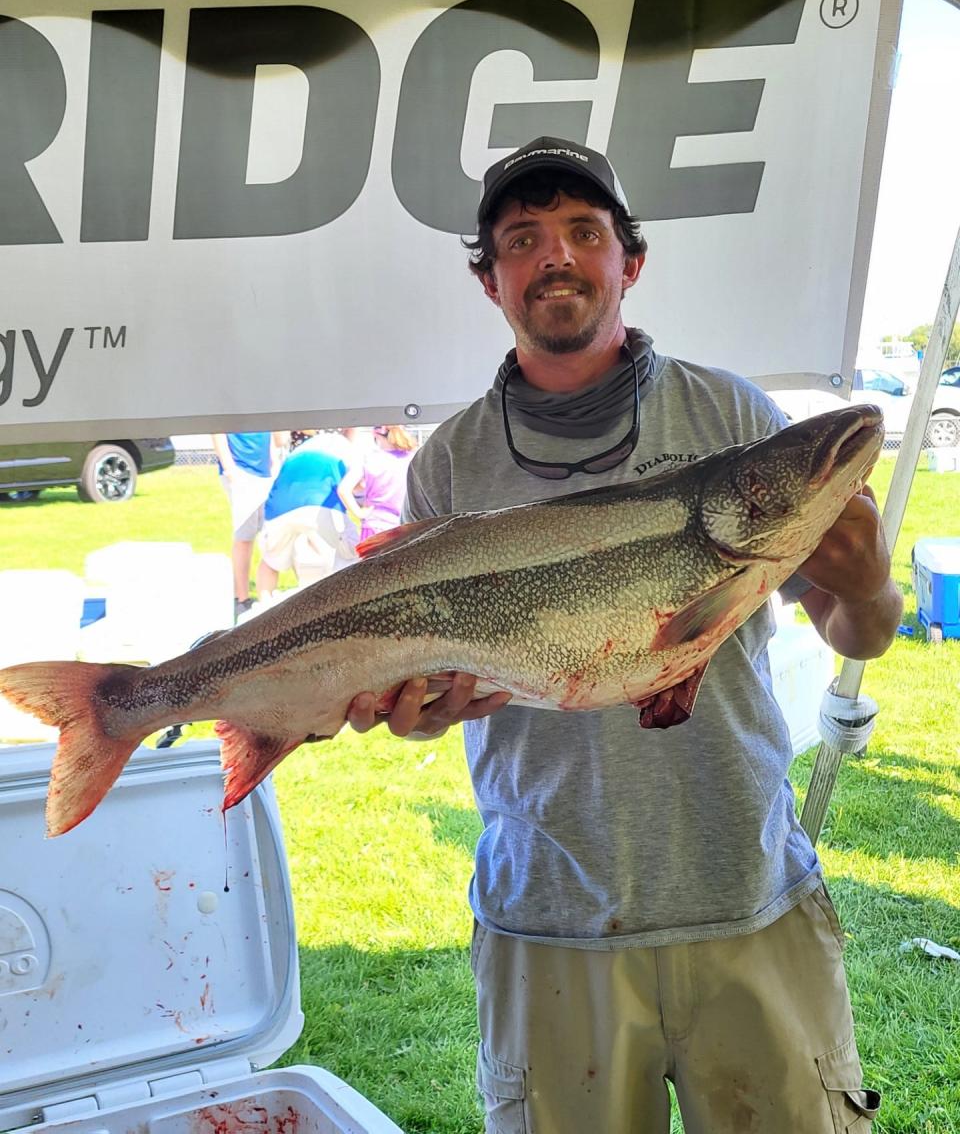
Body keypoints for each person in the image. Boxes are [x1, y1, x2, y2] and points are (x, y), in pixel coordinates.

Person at [345, 135, 902, 1133]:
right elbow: (423, 701)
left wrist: (869, 588)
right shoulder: (448, 468)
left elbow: (859, 626)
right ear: (491, 278)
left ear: (628, 261)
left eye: (582, 231)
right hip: (548, 915)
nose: (554, 254)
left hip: (748, 894)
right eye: (523, 237)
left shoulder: (733, 415)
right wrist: (416, 710)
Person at [255, 431, 355, 598]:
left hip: (279, 506)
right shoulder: (347, 449)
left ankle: (263, 605)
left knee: (270, 561)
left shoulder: (299, 451)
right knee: (345, 561)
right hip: (321, 503)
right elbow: (356, 487)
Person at [212, 431, 285, 620]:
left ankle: (261, 595)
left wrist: (273, 460)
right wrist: (230, 469)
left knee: (266, 534)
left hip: (263, 471)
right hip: (241, 470)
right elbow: (217, 431)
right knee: (244, 536)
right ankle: (241, 599)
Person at [336, 425, 418, 542]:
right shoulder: (412, 458)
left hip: (375, 526)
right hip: (405, 525)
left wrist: (359, 513)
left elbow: (344, 490)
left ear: (375, 433)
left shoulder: (369, 458)